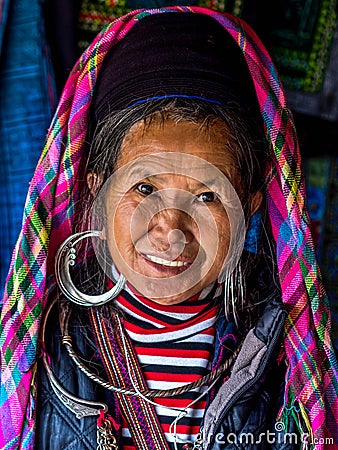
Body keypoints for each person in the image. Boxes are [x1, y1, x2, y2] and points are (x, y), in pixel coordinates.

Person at [1, 6, 337, 450]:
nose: (170, 231)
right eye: (144, 187)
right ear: (98, 192)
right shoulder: (45, 344)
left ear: (250, 206)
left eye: (206, 196)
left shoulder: (289, 352)